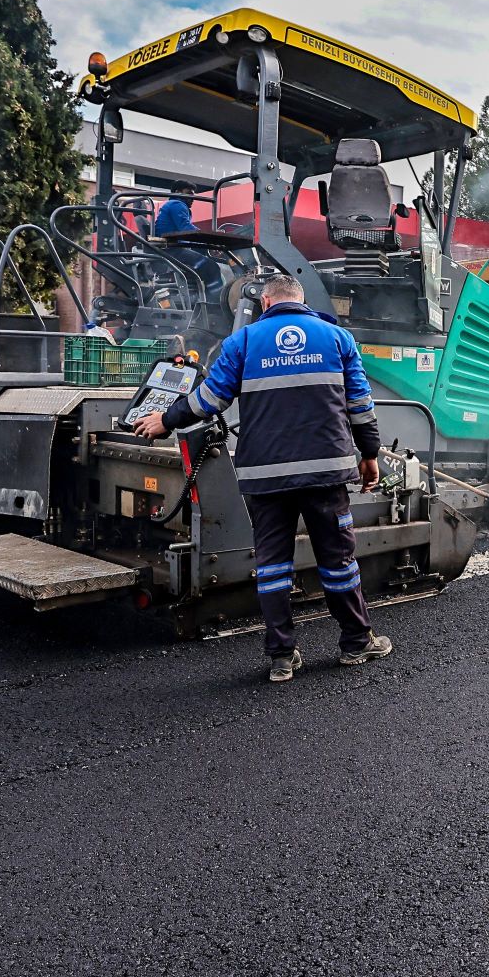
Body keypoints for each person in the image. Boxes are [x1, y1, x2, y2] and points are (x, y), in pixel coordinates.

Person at [131, 274, 390, 681]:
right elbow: (360, 404)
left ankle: (282, 658)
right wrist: (369, 454)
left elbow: (209, 399)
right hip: (325, 473)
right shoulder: (337, 338)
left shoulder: (243, 342)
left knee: (272, 565)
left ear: (265, 302)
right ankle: (357, 644)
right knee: (338, 561)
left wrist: (165, 420)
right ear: (301, 302)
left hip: (264, 477)